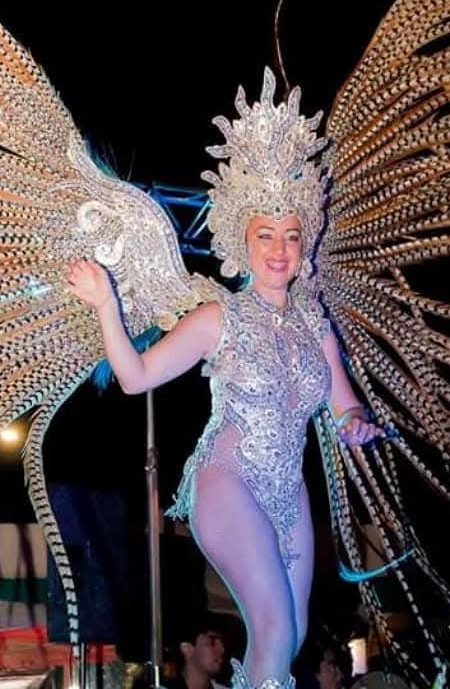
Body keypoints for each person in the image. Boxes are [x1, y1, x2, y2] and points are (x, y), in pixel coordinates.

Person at [65, 70, 382, 689]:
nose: (279, 249)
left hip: (289, 494)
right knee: (273, 628)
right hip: (227, 482)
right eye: (266, 235)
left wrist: (355, 424)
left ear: (304, 244)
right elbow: (135, 377)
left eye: (291, 236)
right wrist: (106, 305)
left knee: (289, 640)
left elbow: (343, 405)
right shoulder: (220, 317)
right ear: (245, 241)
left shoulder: (316, 326)